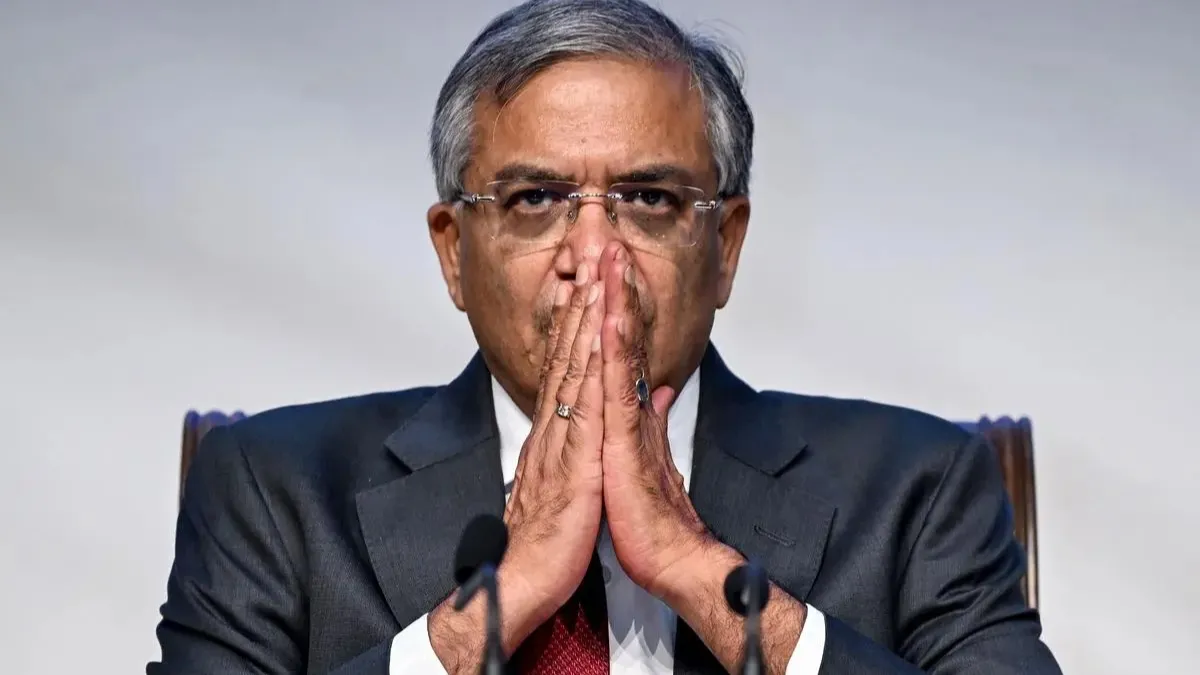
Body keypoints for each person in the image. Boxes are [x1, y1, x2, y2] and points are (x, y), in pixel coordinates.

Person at [149, 0, 1062, 673]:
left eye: (650, 199)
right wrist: (484, 616)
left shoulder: (920, 486)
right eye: (536, 199)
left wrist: (703, 574)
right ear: (454, 252)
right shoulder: (272, 488)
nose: (594, 256)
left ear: (726, 246)